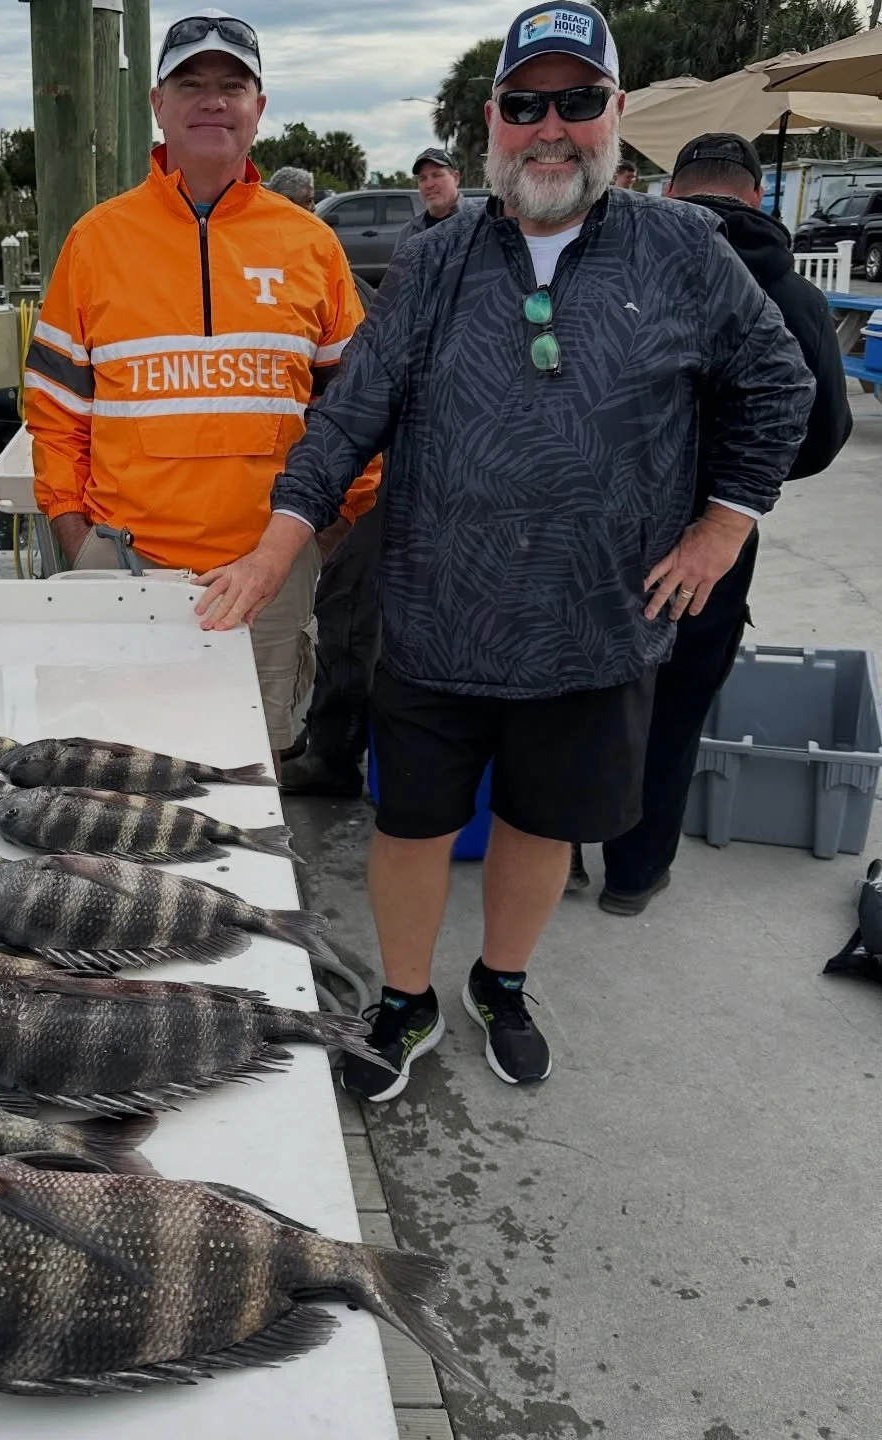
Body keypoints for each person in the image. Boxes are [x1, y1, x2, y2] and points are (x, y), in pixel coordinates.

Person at [191, 2, 814, 1100]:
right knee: (412, 825)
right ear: (494, 120)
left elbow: (779, 386)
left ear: (615, 114)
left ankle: (504, 981)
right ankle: (403, 997)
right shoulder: (432, 264)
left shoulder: (686, 251)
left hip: (596, 625)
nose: (551, 128)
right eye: (527, 105)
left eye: (577, 102)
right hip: (436, 620)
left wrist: (723, 525)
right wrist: (279, 541)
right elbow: (347, 420)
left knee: (539, 825)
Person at [24, 9, 379, 762]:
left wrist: (332, 525)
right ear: (158, 104)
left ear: (259, 108)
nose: (212, 100)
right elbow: (55, 409)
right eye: (191, 83)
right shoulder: (96, 240)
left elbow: (355, 408)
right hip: (123, 564)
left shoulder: (311, 243)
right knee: (116, 769)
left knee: (250, 776)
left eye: (232, 85)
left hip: (268, 576)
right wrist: (71, 529)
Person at [580, 132, 851, 915]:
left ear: (672, 193)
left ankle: (553, 846)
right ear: (758, 197)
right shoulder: (797, 298)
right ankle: (633, 875)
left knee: (576, 697)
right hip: (719, 539)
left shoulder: (621, 271)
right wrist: (736, 492)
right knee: (676, 707)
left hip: (599, 526)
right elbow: (823, 434)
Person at [280, 147, 480, 798]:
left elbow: (358, 401)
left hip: (387, 480)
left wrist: (347, 504)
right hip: (374, 477)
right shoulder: (404, 262)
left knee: (351, 614)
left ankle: (337, 756)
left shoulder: (332, 276)